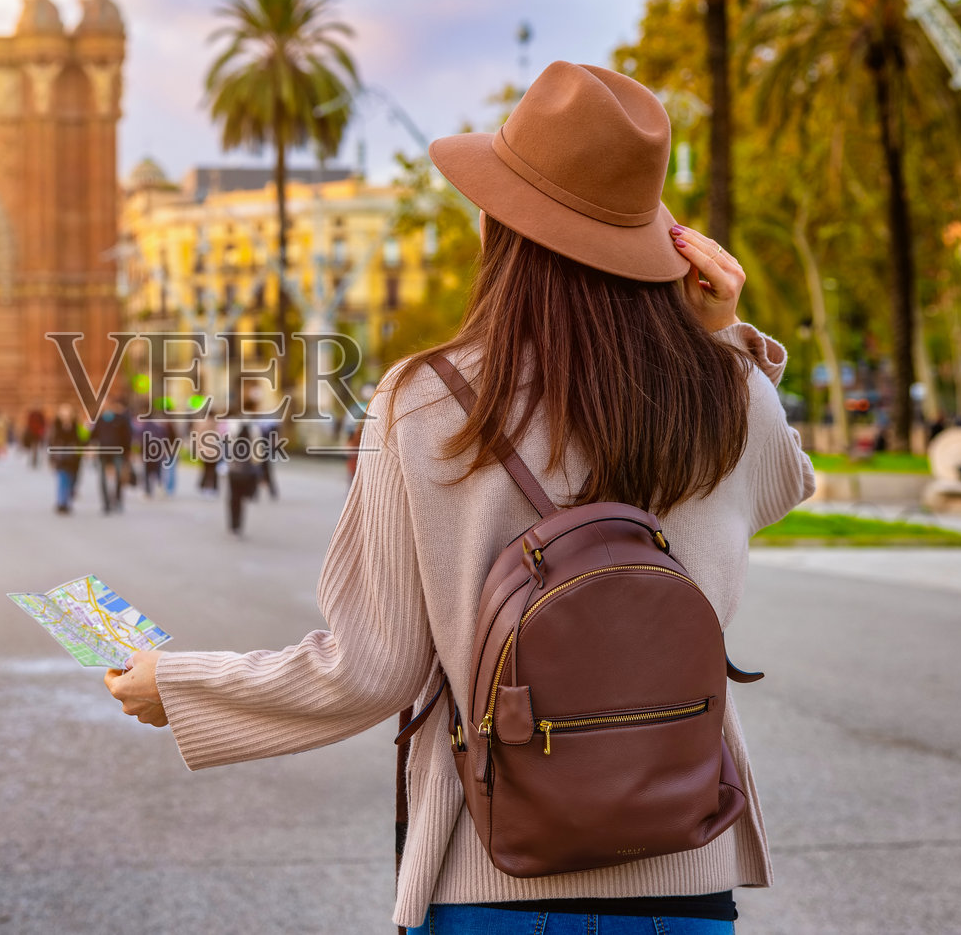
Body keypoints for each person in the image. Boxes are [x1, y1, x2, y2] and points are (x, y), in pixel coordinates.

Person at [104, 62, 817, 933]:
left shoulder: (429, 401)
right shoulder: (728, 394)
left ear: (501, 227)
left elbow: (372, 668)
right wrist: (724, 342)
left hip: (495, 880)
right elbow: (784, 484)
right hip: (687, 867)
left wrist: (176, 685)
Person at [90, 399, 131, 514]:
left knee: (118, 475)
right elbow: (93, 436)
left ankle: (117, 499)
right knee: (102, 477)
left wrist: (127, 452)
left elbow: (127, 436)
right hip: (103, 452)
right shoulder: (100, 420)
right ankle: (106, 503)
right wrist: (91, 448)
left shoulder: (120, 419)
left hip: (118, 452)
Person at [49, 403, 83, 514]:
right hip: (61, 457)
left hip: (73, 458)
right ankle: (61, 502)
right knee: (62, 479)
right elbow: (51, 442)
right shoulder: (56, 426)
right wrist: (51, 458)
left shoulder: (77, 426)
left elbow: (82, 440)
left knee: (71, 480)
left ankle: (67, 500)